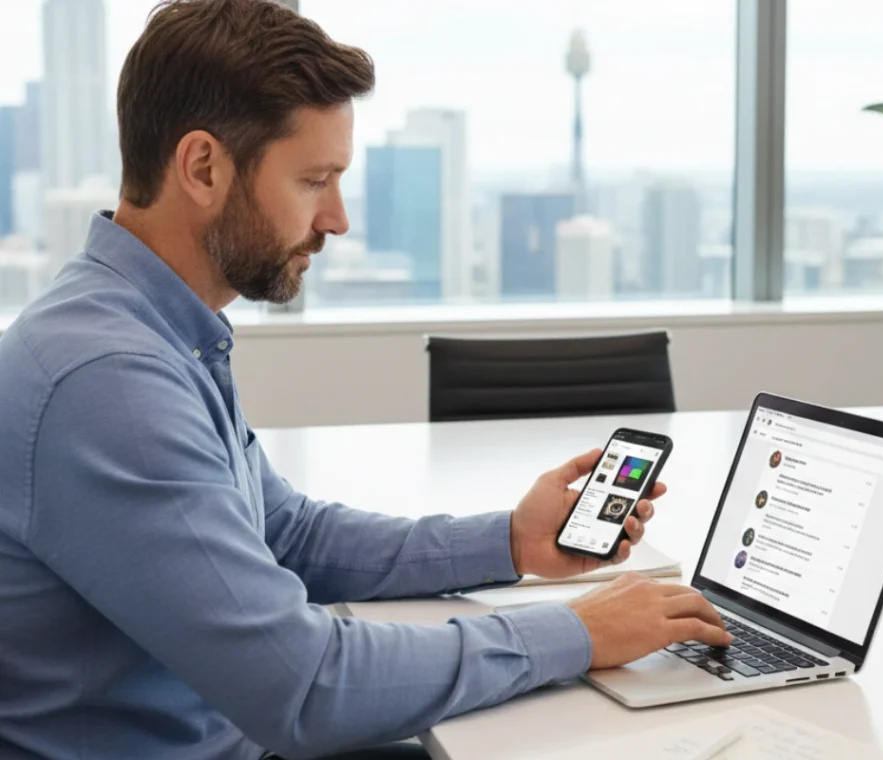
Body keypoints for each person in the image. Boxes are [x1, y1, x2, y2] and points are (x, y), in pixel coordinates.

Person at [0, 2, 731, 759]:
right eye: (314, 180)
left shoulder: (154, 332)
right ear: (203, 167)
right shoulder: (106, 383)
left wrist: (509, 541)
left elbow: (285, 534)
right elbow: (307, 686)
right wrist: (577, 632)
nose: (339, 219)